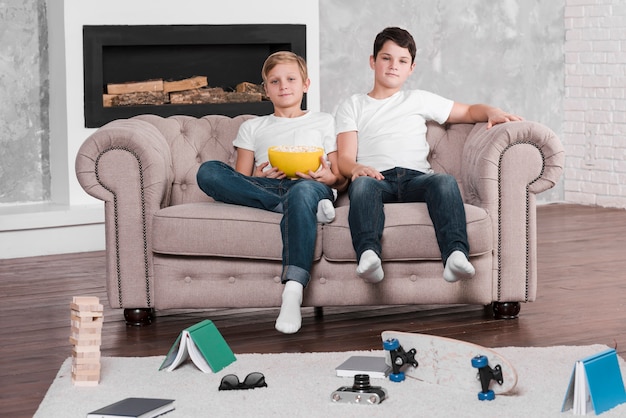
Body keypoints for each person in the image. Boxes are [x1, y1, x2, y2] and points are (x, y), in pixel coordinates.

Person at [335, 27, 522, 284]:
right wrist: (356, 168)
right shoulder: (353, 105)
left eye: (402, 61)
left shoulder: (418, 99)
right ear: (372, 61)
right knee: (362, 186)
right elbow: (344, 158)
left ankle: (455, 254)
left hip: (417, 179)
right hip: (376, 177)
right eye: (386, 58)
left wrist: (493, 111)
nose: (393, 66)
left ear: (411, 68)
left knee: (444, 182)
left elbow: (468, 112)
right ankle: (368, 255)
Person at [196, 51, 347, 334]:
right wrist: (258, 176)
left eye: (291, 79)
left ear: (306, 84)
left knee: (302, 191)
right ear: (266, 89)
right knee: (208, 172)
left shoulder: (325, 121)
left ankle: (292, 290)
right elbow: (240, 180)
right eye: (275, 81)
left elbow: (339, 177)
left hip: (312, 186)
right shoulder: (252, 127)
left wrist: (328, 177)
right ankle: (289, 207)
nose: (284, 86)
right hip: (269, 186)